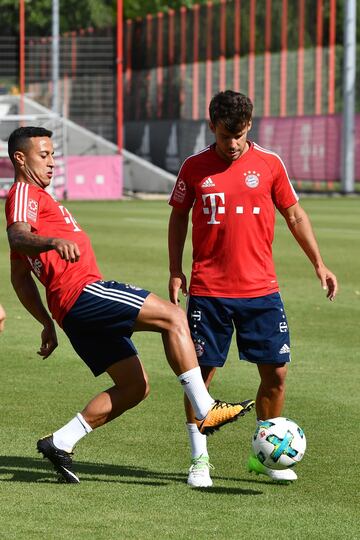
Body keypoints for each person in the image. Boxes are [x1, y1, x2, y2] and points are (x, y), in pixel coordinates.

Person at [5, 126, 254, 484]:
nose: (52, 163)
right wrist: (54, 241)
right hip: (82, 293)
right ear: (20, 158)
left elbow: (19, 276)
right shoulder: (24, 193)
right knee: (172, 317)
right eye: (44, 155)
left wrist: (45, 322)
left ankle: (60, 442)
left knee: (135, 386)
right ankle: (205, 408)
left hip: (69, 310)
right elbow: (17, 235)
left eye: (54, 155)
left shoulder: (36, 199)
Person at [168, 90, 338, 487]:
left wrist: (319, 263)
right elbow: (178, 218)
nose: (233, 144)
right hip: (209, 290)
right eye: (227, 135)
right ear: (212, 126)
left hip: (261, 291)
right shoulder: (194, 167)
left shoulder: (269, 163)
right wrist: (176, 270)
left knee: (276, 374)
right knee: (201, 377)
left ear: (250, 126)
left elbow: (294, 214)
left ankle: (264, 455)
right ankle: (199, 460)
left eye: (241, 135)